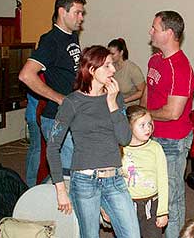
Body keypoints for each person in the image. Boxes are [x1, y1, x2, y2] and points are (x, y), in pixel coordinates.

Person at [46, 45, 140, 238]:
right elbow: (53, 147)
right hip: (84, 181)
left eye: (112, 65)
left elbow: (125, 138)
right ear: (91, 69)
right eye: (107, 66)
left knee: (132, 234)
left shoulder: (115, 97)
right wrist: (61, 190)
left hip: (114, 180)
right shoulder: (72, 102)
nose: (113, 70)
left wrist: (113, 104)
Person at [140, 10, 194, 238]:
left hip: (173, 142)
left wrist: (145, 116)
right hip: (150, 135)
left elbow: (173, 113)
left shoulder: (181, 68)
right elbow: (148, 92)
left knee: (171, 197)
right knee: (149, 193)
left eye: (155, 28)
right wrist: (138, 118)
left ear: (169, 33)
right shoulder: (154, 59)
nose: (150, 31)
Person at [19, 0, 86, 175]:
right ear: (62, 12)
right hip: (56, 117)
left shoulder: (72, 36)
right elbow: (26, 75)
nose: (81, 17)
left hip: (71, 114)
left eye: (82, 13)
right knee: (66, 173)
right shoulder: (50, 40)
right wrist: (59, 98)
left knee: (74, 168)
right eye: (77, 13)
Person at [122, 105, 168, 238]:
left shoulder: (155, 148)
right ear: (129, 127)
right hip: (126, 205)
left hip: (151, 205)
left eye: (150, 123)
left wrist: (162, 211)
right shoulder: (119, 149)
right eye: (142, 125)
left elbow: (163, 180)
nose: (148, 128)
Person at [108, 38, 146, 106]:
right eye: (109, 54)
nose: (110, 56)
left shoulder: (132, 69)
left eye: (113, 54)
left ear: (121, 53)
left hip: (130, 107)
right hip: (115, 104)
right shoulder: (110, 67)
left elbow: (142, 91)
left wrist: (124, 101)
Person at [24, 91, 41, 187]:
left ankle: (31, 181)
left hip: (35, 114)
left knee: (35, 149)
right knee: (37, 150)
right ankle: (31, 183)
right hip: (36, 116)